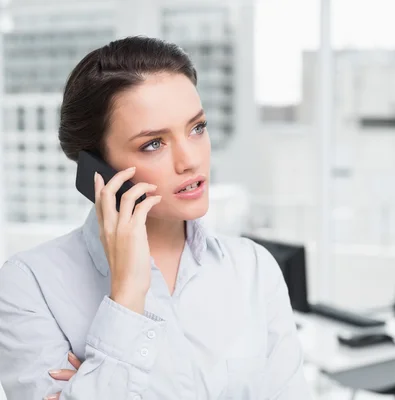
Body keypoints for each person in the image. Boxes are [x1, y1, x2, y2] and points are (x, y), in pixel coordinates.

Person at [0, 36, 311, 400]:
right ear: (96, 167)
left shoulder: (253, 269)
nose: (190, 160)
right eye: (153, 144)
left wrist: (94, 380)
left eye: (197, 128)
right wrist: (126, 298)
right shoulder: (29, 285)